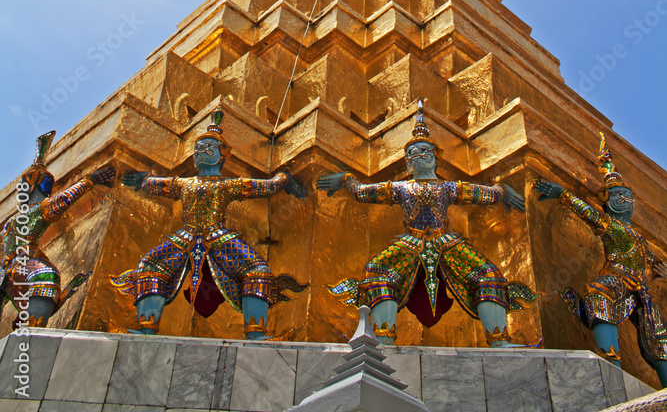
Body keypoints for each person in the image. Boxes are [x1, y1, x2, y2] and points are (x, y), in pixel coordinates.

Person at [317, 100, 539, 345]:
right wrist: (346, 179)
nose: (417, 156)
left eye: (423, 151)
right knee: (376, 273)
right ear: (407, 163)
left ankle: (499, 340)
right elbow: (362, 193)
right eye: (411, 154)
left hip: (446, 241)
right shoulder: (400, 188)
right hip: (410, 241)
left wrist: (502, 191)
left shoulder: (448, 188)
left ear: (435, 158)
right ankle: (383, 341)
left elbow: (481, 194)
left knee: (488, 275)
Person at [111, 110, 307, 337]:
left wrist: (285, 178)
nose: (200, 152)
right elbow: (158, 185)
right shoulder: (184, 184)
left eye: (208, 148)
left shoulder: (228, 185)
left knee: (258, 272)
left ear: (223, 155)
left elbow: (267, 187)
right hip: (185, 235)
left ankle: (256, 332)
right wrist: (143, 178)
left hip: (219, 236)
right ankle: (146, 327)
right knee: (149, 265)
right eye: (197, 149)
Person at [534, 133, 667, 385]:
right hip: (616, 277)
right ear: (608, 202)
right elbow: (588, 215)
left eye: (628, 198)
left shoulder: (639, 238)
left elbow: (653, 263)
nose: (624, 202)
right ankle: (609, 360)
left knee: (658, 335)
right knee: (597, 294)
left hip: (642, 288)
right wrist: (562, 194)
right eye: (618, 197)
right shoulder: (610, 225)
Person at [1, 130, 115, 327]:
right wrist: (91, 181)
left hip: (11, 270)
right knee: (46, 278)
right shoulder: (31, 212)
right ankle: (34, 322)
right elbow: (61, 201)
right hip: (25, 266)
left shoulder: (16, 219)